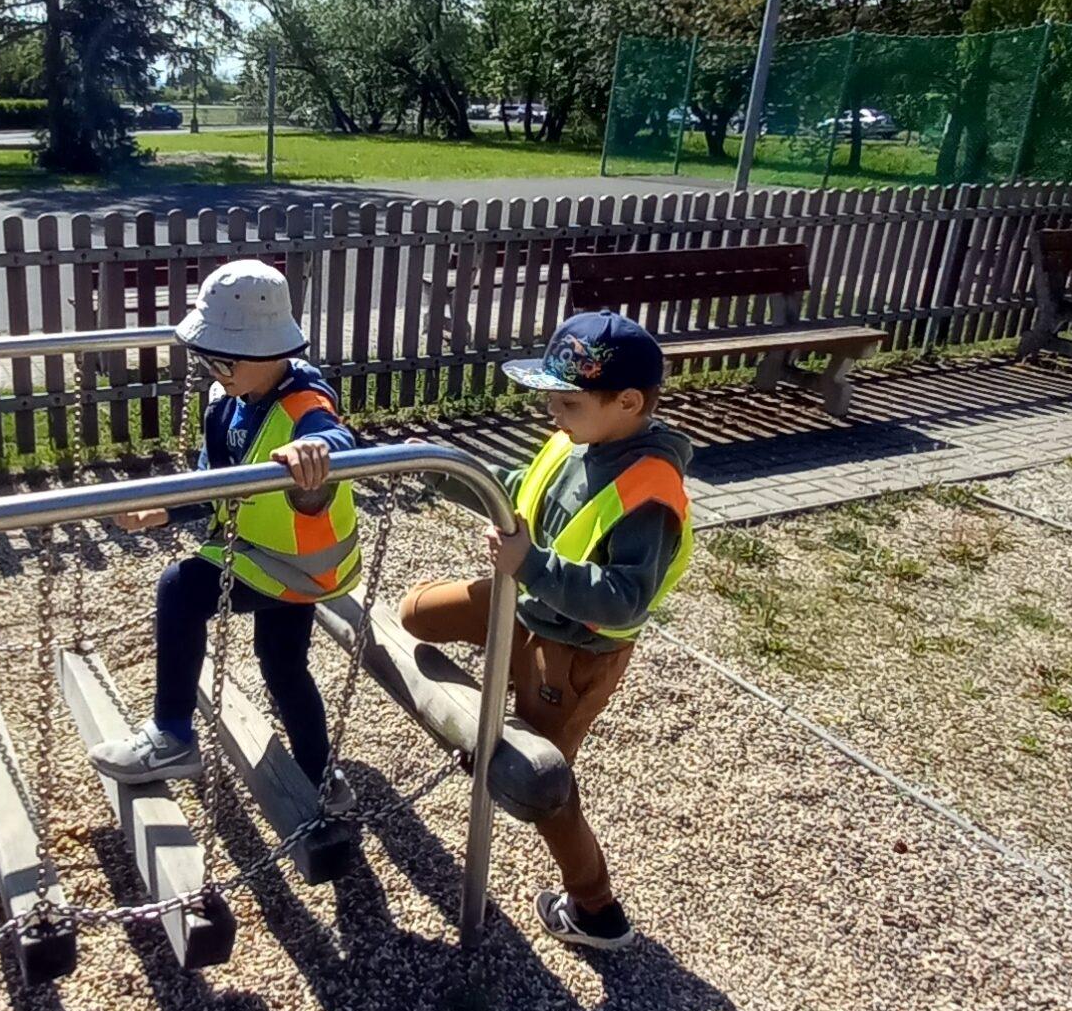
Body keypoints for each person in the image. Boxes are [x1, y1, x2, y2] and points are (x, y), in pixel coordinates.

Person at [400, 309, 693, 953]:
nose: (551, 415)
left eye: (565, 401)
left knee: (543, 783)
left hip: (573, 651)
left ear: (628, 401)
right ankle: (490, 715)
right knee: (415, 615)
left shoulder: (649, 491)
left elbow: (622, 601)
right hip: (526, 605)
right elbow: (518, 490)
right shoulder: (579, 438)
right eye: (551, 400)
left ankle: (596, 909)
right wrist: (441, 471)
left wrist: (530, 563)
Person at [92, 258, 361, 808]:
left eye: (222, 357)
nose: (212, 369)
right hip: (272, 559)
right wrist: (161, 512)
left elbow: (340, 440)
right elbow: (211, 484)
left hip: (295, 564)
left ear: (270, 352)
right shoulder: (231, 403)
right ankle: (322, 772)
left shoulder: (306, 403)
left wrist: (317, 452)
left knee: (180, 589)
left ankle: (172, 734)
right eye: (206, 357)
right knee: (283, 664)